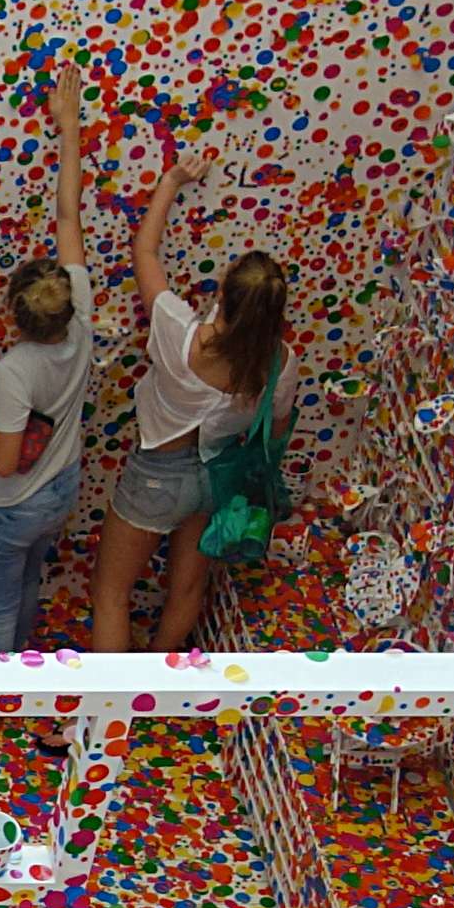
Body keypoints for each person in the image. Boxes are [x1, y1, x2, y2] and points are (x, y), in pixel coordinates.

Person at [89, 158, 295, 652]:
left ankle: (110, 711)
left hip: (157, 475)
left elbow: (145, 251)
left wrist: (172, 181)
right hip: (215, 475)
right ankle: (155, 683)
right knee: (187, 586)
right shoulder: (281, 363)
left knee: (111, 593)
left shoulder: (180, 336)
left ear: (221, 295)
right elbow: (277, 431)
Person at [0, 68, 96, 653]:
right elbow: (69, 216)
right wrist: (70, 128)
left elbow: (3, 459)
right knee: (27, 584)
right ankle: (17, 675)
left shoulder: (15, 370)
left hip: (14, 502)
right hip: (61, 489)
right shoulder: (84, 317)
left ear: (13, 312)